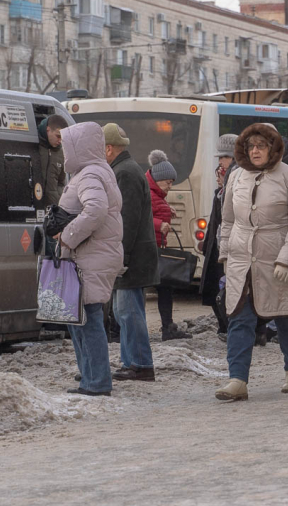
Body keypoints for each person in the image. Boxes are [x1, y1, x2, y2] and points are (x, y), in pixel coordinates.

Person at [215, 123, 288, 401]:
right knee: (239, 317)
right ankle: (237, 379)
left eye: (261, 146)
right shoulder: (236, 176)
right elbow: (228, 219)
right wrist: (226, 253)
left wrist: (287, 259)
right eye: (251, 146)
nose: (255, 151)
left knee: (286, 315)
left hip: (277, 258)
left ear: (273, 148)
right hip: (241, 260)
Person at [56, 122, 124, 397]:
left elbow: (95, 210)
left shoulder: (89, 174)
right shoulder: (95, 171)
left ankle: (96, 382)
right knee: (81, 318)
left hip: (89, 255)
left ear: (78, 146)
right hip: (93, 254)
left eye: (66, 145)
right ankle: (90, 378)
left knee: (89, 318)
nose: (63, 151)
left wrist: (66, 236)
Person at [102, 123, 160, 382]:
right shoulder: (125, 169)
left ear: (109, 148)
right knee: (125, 311)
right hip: (132, 256)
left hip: (132, 259)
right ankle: (132, 362)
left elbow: (127, 219)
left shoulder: (124, 173)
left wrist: (120, 257)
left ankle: (139, 364)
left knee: (128, 312)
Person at [146, 149, 194, 342]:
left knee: (165, 288)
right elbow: (141, 217)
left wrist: (168, 209)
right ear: (158, 179)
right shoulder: (148, 193)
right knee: (161, 289)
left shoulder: (156, 193)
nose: (170, 186)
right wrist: (160, 224)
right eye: (168, 182)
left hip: (157, 247)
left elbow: (155, 209)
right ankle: (167, 327)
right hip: (150, 249)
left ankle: (168, 327)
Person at [200, 133, 238, 340]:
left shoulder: (237, 181)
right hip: (217, 244)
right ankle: (224, 326)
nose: (220, 161)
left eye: (224, 157)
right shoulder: (221, 188)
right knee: (214, 288)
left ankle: (230, 327)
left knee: (226, 290)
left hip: (229, 245)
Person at [37, 114, 68, 206]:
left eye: (62, 138)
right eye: (58, 136)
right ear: (48, 130)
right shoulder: (34, 146)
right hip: (34, 204)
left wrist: (57, 200)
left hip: (52, 209)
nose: (60, 141)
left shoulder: (61, 153)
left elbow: (61, 182)